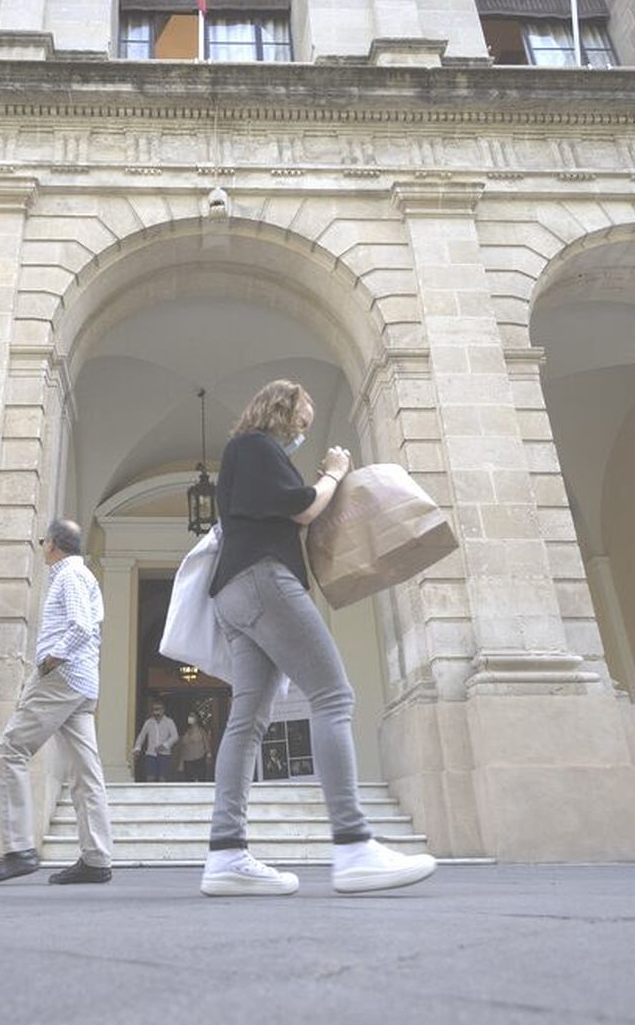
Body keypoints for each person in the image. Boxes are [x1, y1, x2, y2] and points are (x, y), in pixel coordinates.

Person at [201, 379, 437, 897]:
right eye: (301, 421)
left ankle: (226, 854)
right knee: (333, 696)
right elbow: (303, 507)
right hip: (264, 579)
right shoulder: (257, 446)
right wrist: (333, 472)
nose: (302, 432)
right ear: (281, 410)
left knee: (246, 721)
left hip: (234, 592)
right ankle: (354, 846)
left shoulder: (243, 454)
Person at [0, 518, 115, 885]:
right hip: (83, 684)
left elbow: (81, 626)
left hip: (61, 678)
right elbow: (93, 622)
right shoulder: (83, 575)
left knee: (9, 751)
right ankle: (96, 859)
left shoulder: (68, 576)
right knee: (85, 772)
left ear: (52, 544)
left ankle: (19, 850)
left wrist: (51, 660)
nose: (42, 548)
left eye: (43, 542)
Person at [130, 700, 179, 782]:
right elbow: (141, 736)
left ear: (163, 710)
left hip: (164, 754)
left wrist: (165, 745)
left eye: (158, 709)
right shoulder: (148, 722)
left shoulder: (169, 722)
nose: (156, 711)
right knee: (150, 778)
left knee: (162, 778)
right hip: (151, 754)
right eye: (154, 709)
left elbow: (175, 736)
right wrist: (137, 748)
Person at [177, 713, 214, 782]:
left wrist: (209, 756)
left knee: (201, 781)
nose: (190, 718)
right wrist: (181, 763)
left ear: (196, 719)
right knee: (189, 782)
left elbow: (207, 745)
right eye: (189, 716)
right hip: (187, 761)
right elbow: (183, 748)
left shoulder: (201, 731)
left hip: (199, 759)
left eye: (192, 716)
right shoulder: (186, 732)